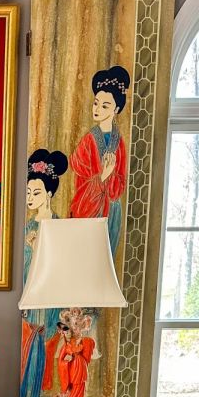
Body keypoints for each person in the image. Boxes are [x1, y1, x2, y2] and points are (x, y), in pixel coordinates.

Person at [19, 148, 68, 397]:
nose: (30, 198)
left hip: (50, 313)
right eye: (27, 192)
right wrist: (31, 251)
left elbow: (61, 271)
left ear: (48, 194)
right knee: (27, 375)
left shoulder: (60, 228)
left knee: (45, 374)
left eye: (35, 192)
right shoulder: (27, 228)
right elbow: (25, 275)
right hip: (29, 313)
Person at [70, 66, 130, 257]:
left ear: (116, 109)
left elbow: (118, 187)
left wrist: (111, 176)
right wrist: (104, 175)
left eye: (105, 106)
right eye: (96, 103)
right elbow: (82, 181)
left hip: (111, 212)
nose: (97, 109)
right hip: (90, 209)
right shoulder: (88, 141)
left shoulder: (118, 142)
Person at [52, 307, 100, 397]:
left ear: (84, 325)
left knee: (80, 390)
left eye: (78, 325)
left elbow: (87, 357)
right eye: (73, 325)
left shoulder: (86, 341)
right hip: (72, 369)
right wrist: (66, 361)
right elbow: (61, 359)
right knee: (73, 390)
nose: (75, 328)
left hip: (81, 368)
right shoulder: (67, 344)